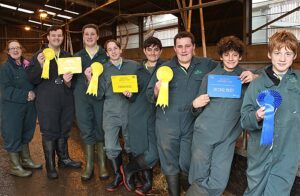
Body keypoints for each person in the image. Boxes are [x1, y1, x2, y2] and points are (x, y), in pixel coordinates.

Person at [146, 32, 255, 196]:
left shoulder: (206, 65)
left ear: (193, 47)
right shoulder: (164, 69)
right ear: (174, 48)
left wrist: (255, 75)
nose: (184, 50)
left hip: (191, 123)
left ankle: (190, 191)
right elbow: (148, 96)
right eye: (180, 46)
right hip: (168, 122)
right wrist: (155, 90)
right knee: (169, 160)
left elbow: (227, 69)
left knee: (188, 162)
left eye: (187, 46)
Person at [186, 36, 257, 196]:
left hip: (227, 138)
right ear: (221, 56)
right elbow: (196, 109)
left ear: (240, 56)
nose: (231, 58)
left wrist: (255, 78)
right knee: (199, 175)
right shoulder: (210, 77)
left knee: (219, 180)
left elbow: (267, 81)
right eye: (227, 54)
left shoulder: (245, 79)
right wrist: (194, 105)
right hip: (204, 134)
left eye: (234, 54)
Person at [241, 31, 300, 195]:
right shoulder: (257, 84)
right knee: (254, 192)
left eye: (288, 53)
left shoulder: (299, 81)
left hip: (288, 153)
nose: (282, 58)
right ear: (269, 54)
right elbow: (245, 120)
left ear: (294, 56)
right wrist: (257, 116)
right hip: (260, 152)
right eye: (277, 53)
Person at [27, 25, 82, 179]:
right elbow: (31, 78)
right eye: (54, 35)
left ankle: (64, 159)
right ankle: (50, 165)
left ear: (63, 37)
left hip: (65, 99)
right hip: (47, 100)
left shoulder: (67, 55)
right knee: (50, 132)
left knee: (64, 129)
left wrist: (68, 81)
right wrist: (39, 65)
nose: (57, 38)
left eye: (59, 35)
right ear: (48, 37)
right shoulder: (39, 55)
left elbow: (76, 78)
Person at [121, 37, 163, 195]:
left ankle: (128, 168)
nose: (153, 52)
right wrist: (127, 94)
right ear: (145, 51)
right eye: (149, 49)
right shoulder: (137, 71)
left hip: (157, 114)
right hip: (138, 113)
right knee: (141, 148)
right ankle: (147, 183)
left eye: (156, 49)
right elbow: (132, 96)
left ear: (160, 51)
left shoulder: (166, 67)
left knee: (154, 151)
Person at [99, 39, 140, 192]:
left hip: (130, 109)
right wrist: (91, 78)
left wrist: (132, 93)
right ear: (106, 53)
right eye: (110, 49)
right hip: (111, 111)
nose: (113, 51)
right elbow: (99, 93)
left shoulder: (134, 66)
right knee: (110, 145)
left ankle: (131, 173)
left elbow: (141, 87)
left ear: (121, 49)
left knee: (131, 143)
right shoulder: (103, 69)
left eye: (115, 48)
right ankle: (117, 174)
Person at [0, 40, 42, 177]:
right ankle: (15, 166)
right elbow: (5, 90)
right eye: (12, 48)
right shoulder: (5, 68)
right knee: (13, 134)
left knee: (26, 132)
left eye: (17, 48)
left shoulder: (26, 64)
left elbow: (34, 79)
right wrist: (26, 94)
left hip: (28, 106)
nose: (15, 50)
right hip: (13, 108)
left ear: (21, 49)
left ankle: (25, 160)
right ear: (7, 51)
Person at [73, 24, 109, 181]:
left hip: (100, 99)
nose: (89, 37)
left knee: (100, 128)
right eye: (86, 34)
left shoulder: (105, 55)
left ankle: (102, 165)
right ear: (83, 37)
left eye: (92, 34)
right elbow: (71, 81)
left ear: (98, 36)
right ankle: (89, 165)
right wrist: (66, 79)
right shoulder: (77, 56)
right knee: (86, 128)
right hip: (82, 98)